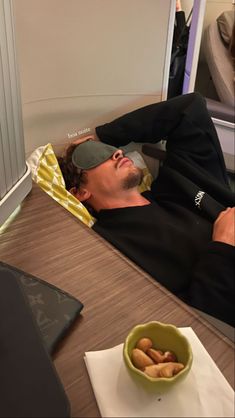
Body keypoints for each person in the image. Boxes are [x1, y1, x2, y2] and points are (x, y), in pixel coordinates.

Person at [59, 92, 235, 327]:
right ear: (80, 193)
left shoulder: (176, 185)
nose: (117, 152)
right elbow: (197, 324)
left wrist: (104, 135)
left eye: (109, 148)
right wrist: (222, 247)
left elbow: (190, 108)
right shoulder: (112, 248)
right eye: (93, 157)